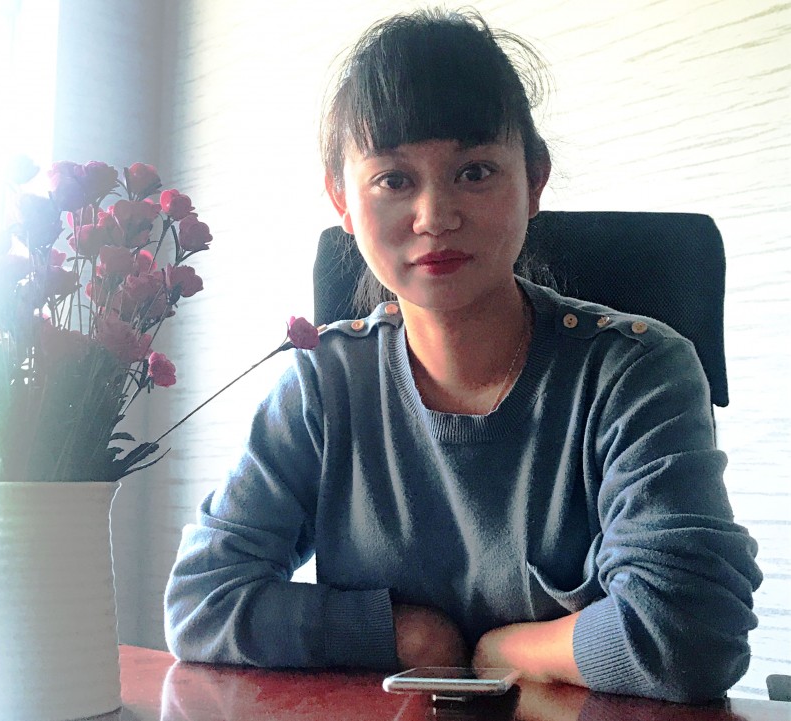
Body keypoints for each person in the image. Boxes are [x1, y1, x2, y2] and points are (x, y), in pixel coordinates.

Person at [164, 8, 762, 703]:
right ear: (342, 200)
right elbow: (202, 601)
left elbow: (691, 631)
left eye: (474, 172)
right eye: (393, 180)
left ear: (535, 180)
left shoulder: (636, 372)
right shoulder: (323, 384)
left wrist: (505, 650)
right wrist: (409, 635)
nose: (435, 216)